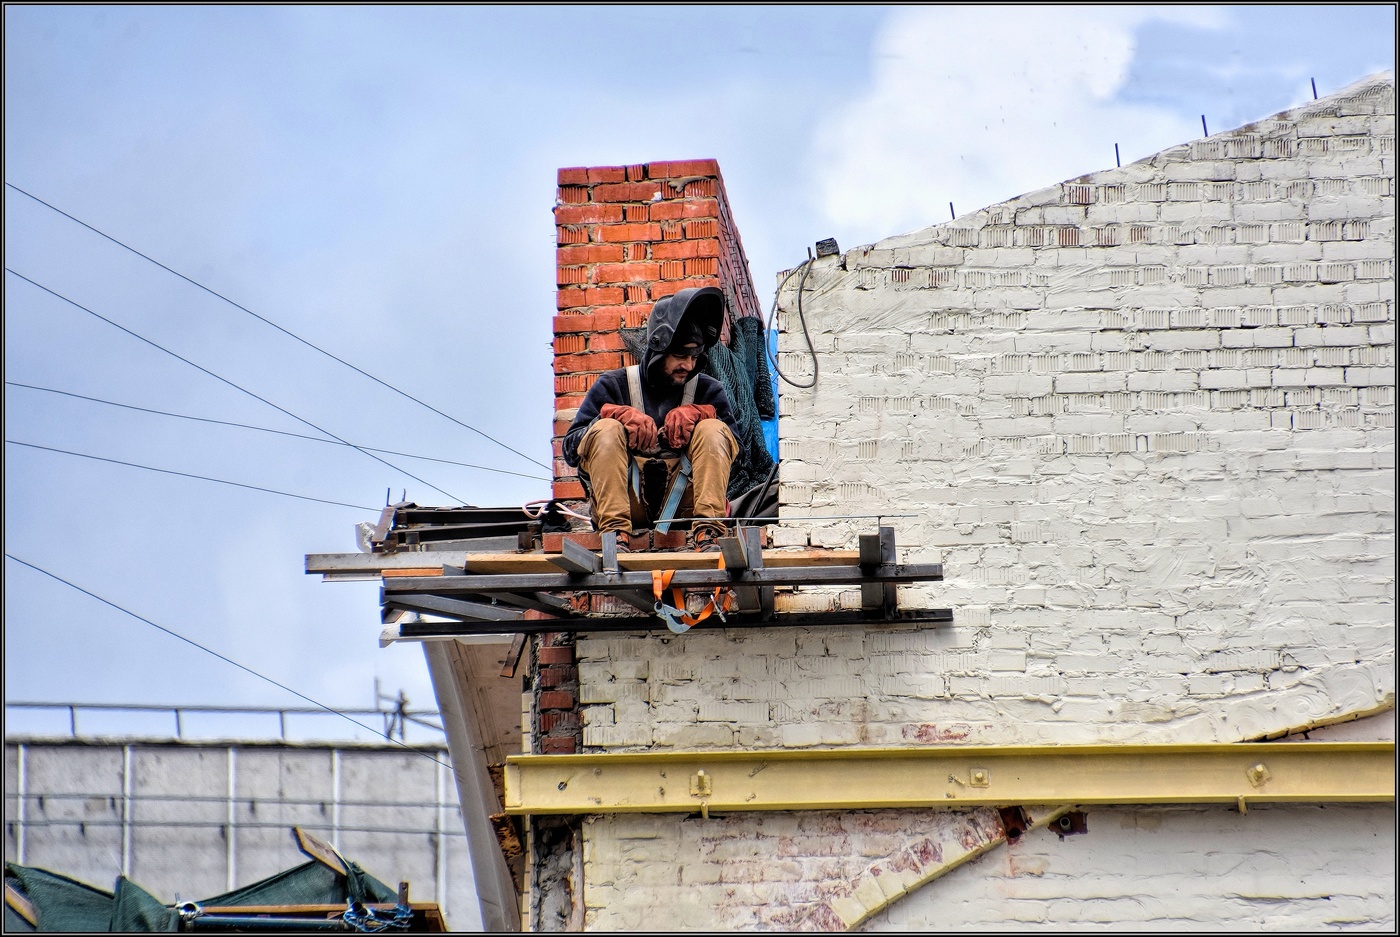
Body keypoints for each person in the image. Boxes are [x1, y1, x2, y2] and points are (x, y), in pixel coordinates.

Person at [562, 286, 739, 551]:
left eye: (693, 357)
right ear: (659, 347)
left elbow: (740, 461)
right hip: (626, 509)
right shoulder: (614, 385)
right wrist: (610, 416)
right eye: (680, 356)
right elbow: (570, 452)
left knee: (714, 429)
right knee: (606, 429)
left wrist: (703, 414)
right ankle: (614, 538)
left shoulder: (708, 390)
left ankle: (708, 533)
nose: (688, 366)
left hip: (685, 508)